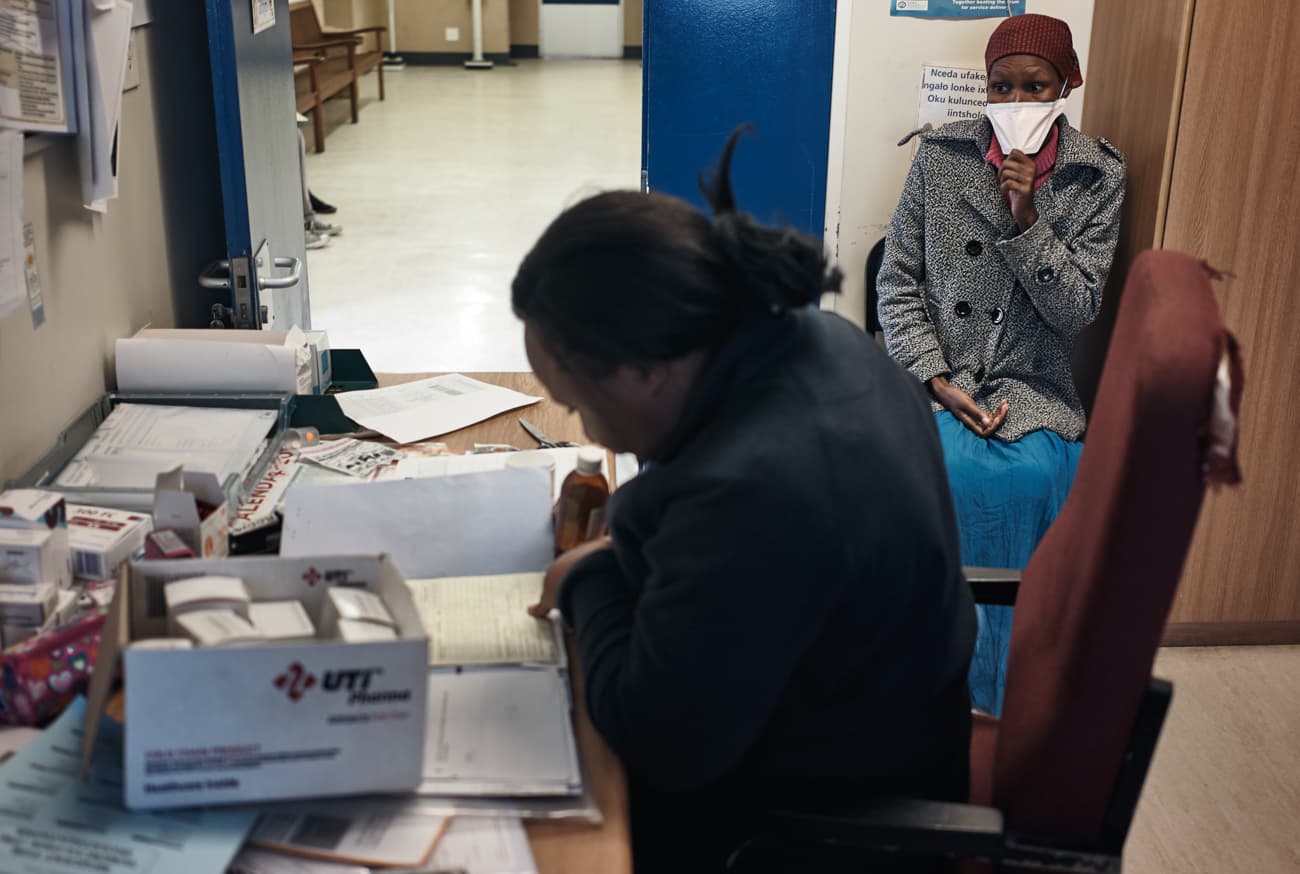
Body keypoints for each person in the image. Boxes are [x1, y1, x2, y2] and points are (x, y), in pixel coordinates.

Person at [513, 130, 976, 873]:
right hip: (871, 723)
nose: (588, 430)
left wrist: (590, 578)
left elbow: (660, 740)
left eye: (580, 403)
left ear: (647, 369)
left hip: (825, 825)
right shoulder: (823, 339)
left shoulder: (756, 488)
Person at [877, 13, 1126, 714]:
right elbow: (896, 280)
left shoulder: (1096, 176)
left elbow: (1078, 311)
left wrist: (1027, 221)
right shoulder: (941, 156)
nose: (1016, 103)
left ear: (1066, 85)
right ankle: (916, 676)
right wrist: (936, 377)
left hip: (1034, 387)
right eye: (1001, 87)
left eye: (1035, 86)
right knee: (925, 472)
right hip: (936, 376)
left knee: (1033, 481)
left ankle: (1000, 685)